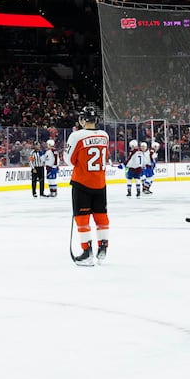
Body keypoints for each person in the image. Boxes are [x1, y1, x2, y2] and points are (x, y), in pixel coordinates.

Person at [64, 106, 110, 265]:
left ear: (83, 120)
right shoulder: (104, 135)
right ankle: (103, 248)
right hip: (100, 183)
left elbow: (68, 160)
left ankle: (87, 252)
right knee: (101, 217)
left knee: (82, 219)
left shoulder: (76, 136)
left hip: (82, 183)